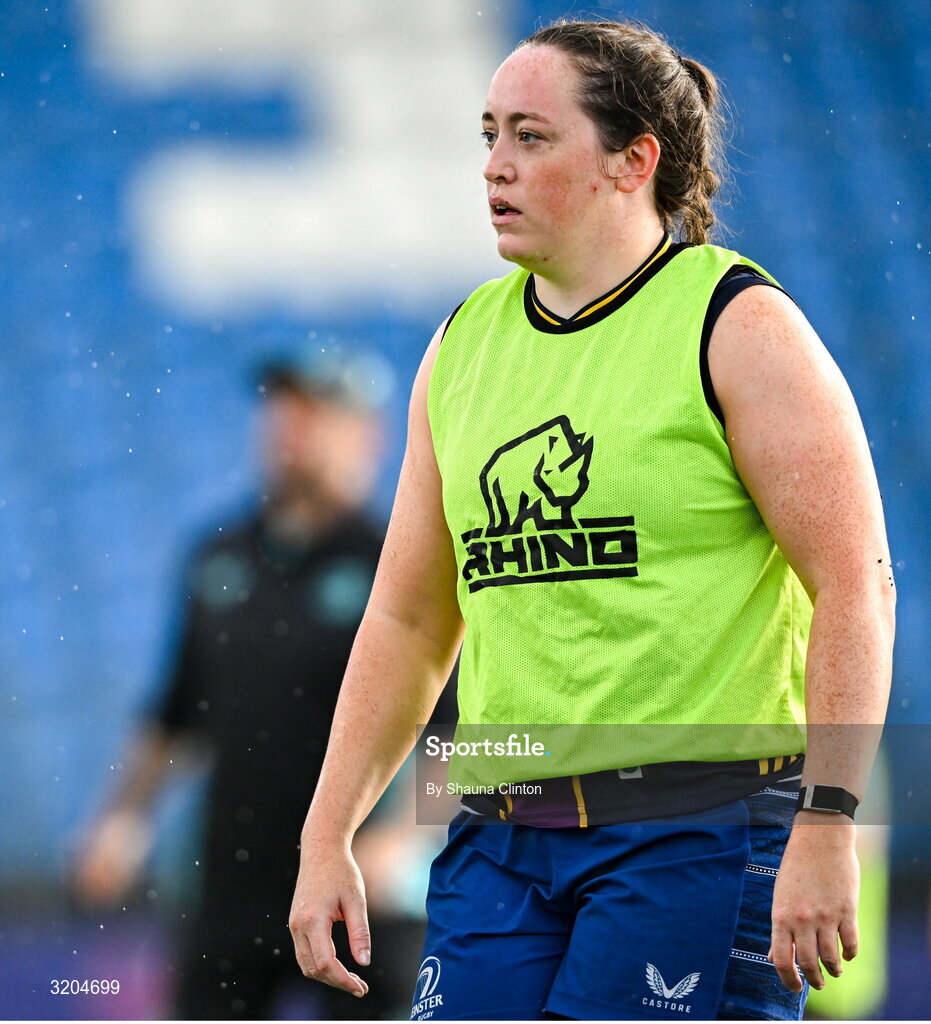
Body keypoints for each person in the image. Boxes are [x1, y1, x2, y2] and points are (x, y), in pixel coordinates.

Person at [288, 18, 895, 1021]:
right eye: (487, 135)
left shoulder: (738, 325)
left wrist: (828, 821)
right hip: (499, 834)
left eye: (530, 136)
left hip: (700, 832)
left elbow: (854, 583)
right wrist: (327, 838)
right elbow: (407, 619)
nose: (494, 166)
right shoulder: (462, 345)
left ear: (632, 160)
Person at [74, 350, 432, 1020]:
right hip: (231, 884)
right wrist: (123, 818)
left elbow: (463, 727)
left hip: (357, 895)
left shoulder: (401, 562)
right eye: (280, 412)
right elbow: (177, 710)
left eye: (312, 414)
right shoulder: (218, 557)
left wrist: (407, 837)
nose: (288, 431)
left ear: (366, 435)